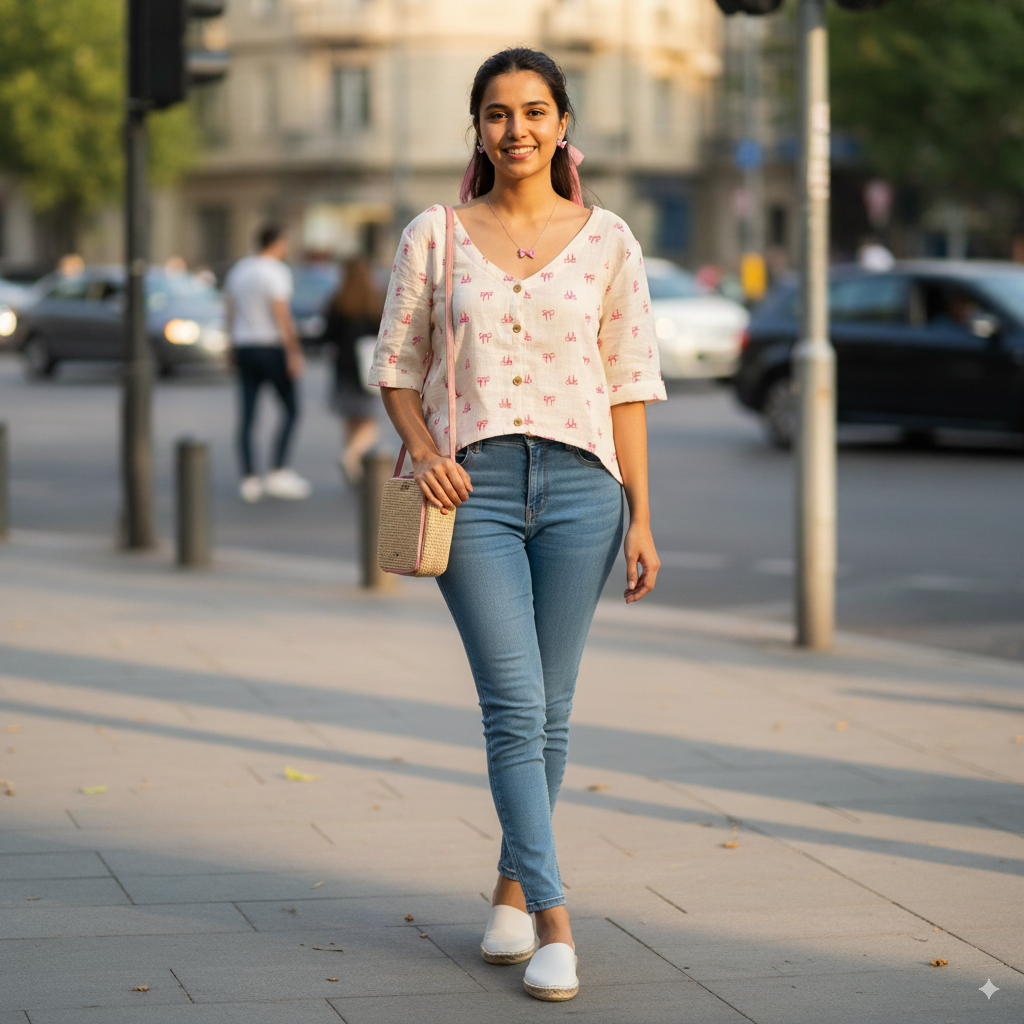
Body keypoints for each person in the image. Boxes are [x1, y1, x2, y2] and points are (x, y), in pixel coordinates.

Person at [369, 47, 666, 1002]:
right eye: (498, 115)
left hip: (585, 490)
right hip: (475, 494)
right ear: (478, 130)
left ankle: (505, 890)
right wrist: (424, 452)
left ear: (563, 123)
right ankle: (554, 919)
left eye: (535, 111)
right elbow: (396, 368)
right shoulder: (437, 235)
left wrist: (642, 518)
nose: (517, 130)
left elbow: (628, 386)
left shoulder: (610, 239)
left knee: (554, 709)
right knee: (515, 707)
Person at [223, 224, 311, 502]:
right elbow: (281, 313)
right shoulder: (276, 271)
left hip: (244, 344)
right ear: (277, 243)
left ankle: (249, 477)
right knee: (291, 410)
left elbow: (229, 309)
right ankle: (277, 470)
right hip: (271, 346)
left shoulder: (240, 270)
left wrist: (230, 344)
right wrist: (294, 353)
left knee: (248, 414)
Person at [324, 256, 383, 483]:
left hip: (343, 366)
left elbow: (327, 335)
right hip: (368, 365)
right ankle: (352, 456)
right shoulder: (375, 299)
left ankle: (352, 464)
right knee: (370, 421)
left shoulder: (338, 300)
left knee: (350, 419)